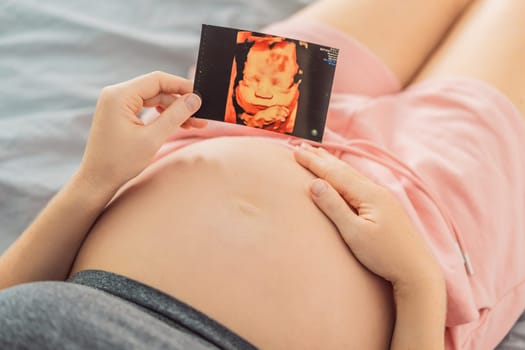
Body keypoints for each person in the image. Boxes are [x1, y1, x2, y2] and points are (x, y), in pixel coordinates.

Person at [1, 0, 524, 349]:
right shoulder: (417, 268)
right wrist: (417, 280)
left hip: (237, 115)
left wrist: (96, 179)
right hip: (425, 229)